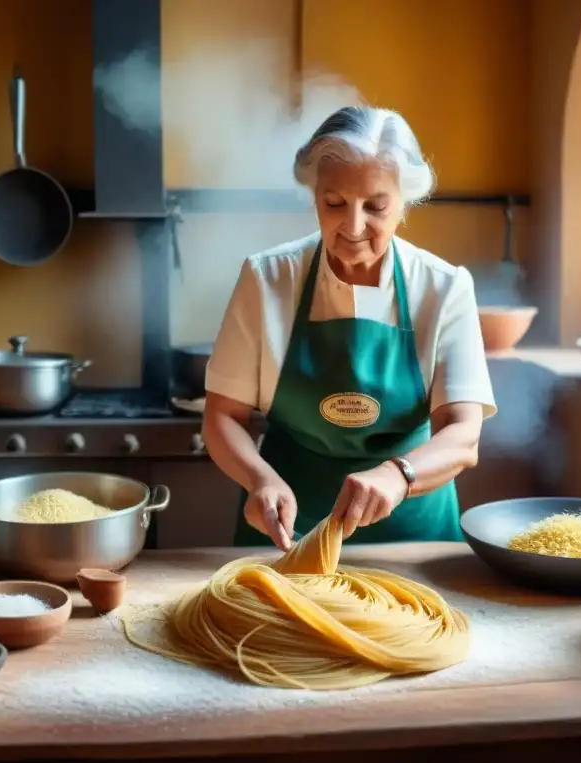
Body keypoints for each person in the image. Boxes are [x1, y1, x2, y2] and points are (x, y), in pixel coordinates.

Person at [202, 106, 497, 550]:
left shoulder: (443, 287)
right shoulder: (268, 279)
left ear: (404, 202)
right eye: (334, 203)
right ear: (314, 195)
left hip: (412, 537)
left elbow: (462, 434)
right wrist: (259, 479)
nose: (353, 226)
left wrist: (399, 475)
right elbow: (222, 416)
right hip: (286, 530)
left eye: (376, 206)